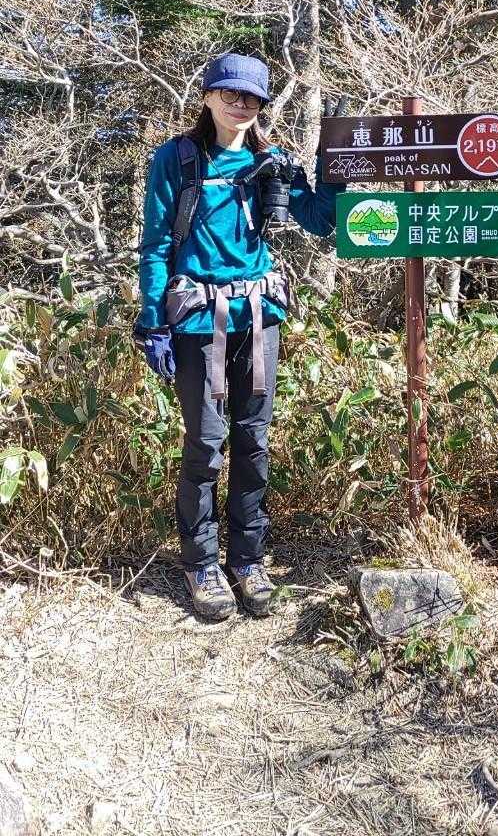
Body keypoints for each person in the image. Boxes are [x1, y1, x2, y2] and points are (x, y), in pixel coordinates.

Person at [133, 52, 346, 621]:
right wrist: (152, 320)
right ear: (207, 97)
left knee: (253, 441)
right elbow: (156, 244)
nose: (240, 104)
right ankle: (201, 563)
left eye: (251, 97)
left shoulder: (271, 161)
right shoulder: (177, 159)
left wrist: (333, 165)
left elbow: (320, 220)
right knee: (206, 443)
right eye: (229, 93)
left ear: (261, 105)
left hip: (259, 316)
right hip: (197, 321)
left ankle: (248, 559)